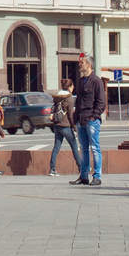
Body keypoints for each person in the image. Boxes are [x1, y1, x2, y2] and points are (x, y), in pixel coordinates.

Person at [71, 57, 107, 186]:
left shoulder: (96, 81)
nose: (80, 65)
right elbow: (79, 101)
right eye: (79, 62)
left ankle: (97, 176)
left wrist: (94, 116)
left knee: (95, 148)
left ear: (89, 65)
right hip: (80, 120)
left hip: (91, 120)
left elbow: (101, 102)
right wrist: (75, 119)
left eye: (82, 63)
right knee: (84, 149)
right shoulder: (81, 81)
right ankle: (83, 176)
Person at [48, 79, 79, 176]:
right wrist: (74, 127)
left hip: (57, 125)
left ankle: (52, 169)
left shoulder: (57, 96)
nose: (73, 88)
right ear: (69, 87)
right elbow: (70, 115)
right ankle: (82, 167)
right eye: (72, 86)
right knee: (74, 147)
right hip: (66, 126)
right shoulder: (69, 98)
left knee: (56, 147)